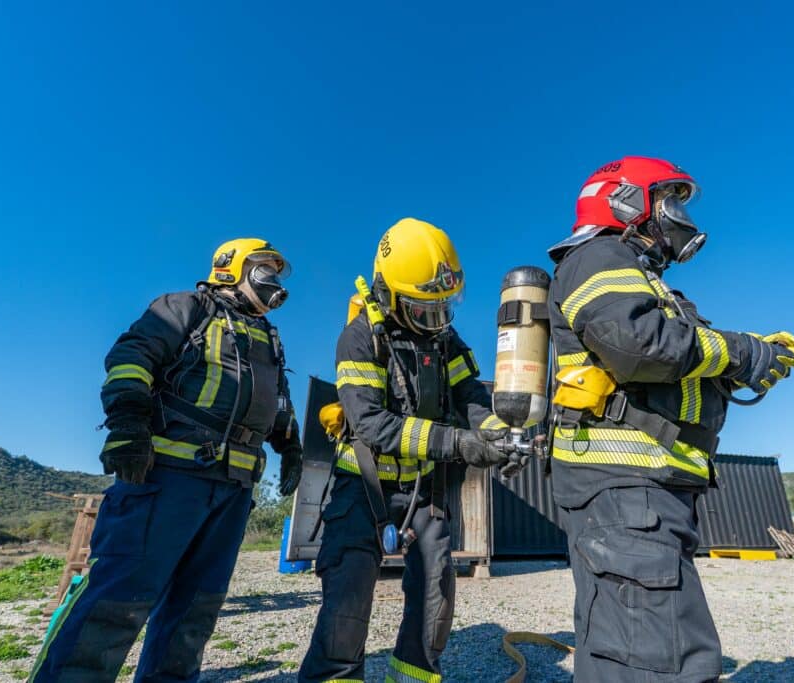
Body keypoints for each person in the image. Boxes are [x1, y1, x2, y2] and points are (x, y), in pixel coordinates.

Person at [546, 157, 794, 682]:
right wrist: (740, 352)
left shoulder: (637, 276)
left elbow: (666, 359)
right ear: (627, 201)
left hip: (642, 489)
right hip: (625, 485)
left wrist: (743, 366)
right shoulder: (599, 256)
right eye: (672, 200)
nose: (681, 216)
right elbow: (639, 346)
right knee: (663, 661)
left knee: (627, 655)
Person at [30, 238, 304, 682]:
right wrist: (127, 424)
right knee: (116, 603)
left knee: (195, 613)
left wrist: (289, 443)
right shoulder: (185, 307)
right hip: (166, 478)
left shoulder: (268, 337)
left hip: (233, 490)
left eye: (275, 273)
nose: (273, 283)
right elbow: (130, 357)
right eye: (264, 271)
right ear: (230, 268)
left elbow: (278, 401)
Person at [298, 218, 509, 683]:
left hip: (425, 489)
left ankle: (412, 676)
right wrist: (455, 442)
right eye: (424, 309)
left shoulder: (444, 339)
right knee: (347, 602)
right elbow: (370, 423)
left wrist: (496, 434)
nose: (438, 321)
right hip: (363, 487)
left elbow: (471, 395)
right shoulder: (359, 338)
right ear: (389, 293)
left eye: (443, 308)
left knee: (436, 595)